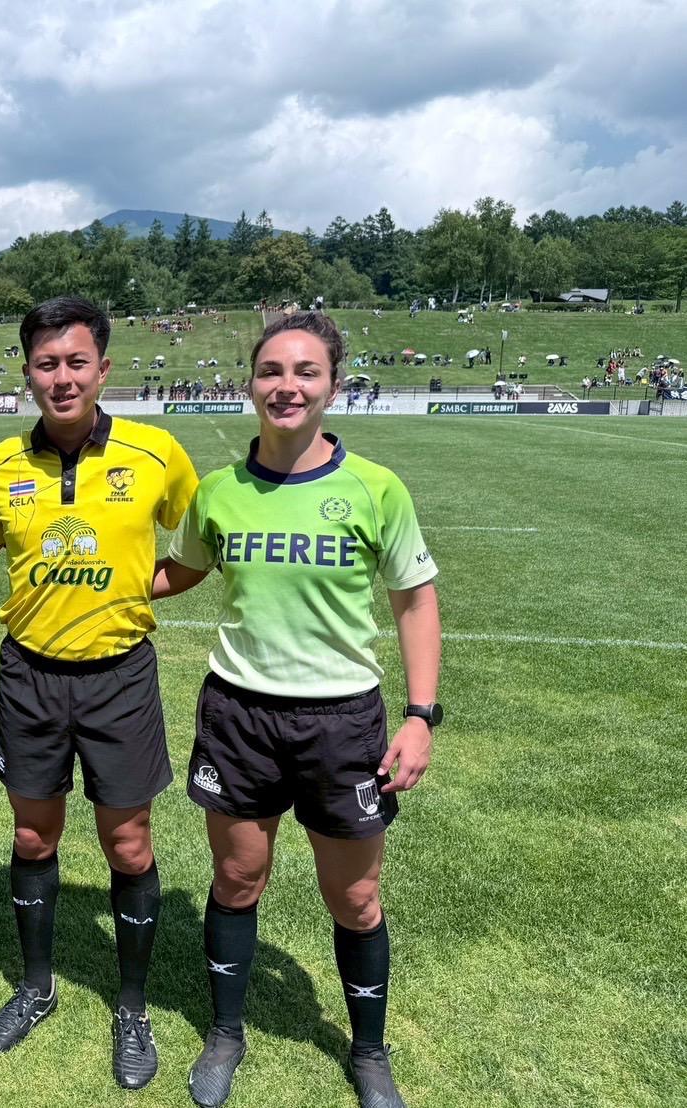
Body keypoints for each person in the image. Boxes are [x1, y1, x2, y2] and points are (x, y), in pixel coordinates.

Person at [153, 311, 441, 1108]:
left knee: (354, 897)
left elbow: (414, 601)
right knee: (236, 878)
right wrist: (94, 579)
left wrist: (420, 715)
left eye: (305, 372)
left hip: (341, 722)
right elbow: (182, 571)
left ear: (332, 386)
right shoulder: (218, 493)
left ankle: (368, 1052)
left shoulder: (374, 488)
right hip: (237, 715)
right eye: (271, 371)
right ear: (250, 384)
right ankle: (224, 1034)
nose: (286, 386)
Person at [0, 296, 199, 1089]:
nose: (60, 378)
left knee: (127, 844)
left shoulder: (155, 452)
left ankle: (130, 1007)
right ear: (26, 372)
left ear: (103, 369)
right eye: (45, 364)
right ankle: (36, 987)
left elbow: (197, 547)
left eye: (75, 363)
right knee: (33, 839)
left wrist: (137, 591)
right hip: (29, 674)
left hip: (118, 676)